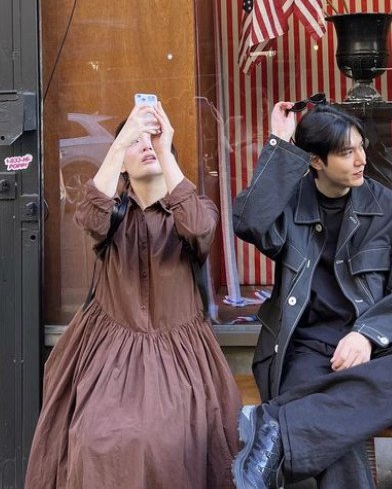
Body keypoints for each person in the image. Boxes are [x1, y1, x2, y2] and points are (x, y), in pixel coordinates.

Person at [232, 101, 392, 489]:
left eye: (361, 146)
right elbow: (248, 222)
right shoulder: (290, 204)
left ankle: (277, 425)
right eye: (347, 152)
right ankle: (288, 424)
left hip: (375, 351)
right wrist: (278, 144)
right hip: (304, 350)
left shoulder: (387, 208)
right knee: (338, 437)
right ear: (315, 161)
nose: (362, 159)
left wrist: (367, 335)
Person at [25, 100, 240, 489]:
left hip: (180, 353)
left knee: (166, 442)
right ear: (121, 162)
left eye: (155, 142)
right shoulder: (113, 214)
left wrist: (165, 145)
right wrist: (119, 141)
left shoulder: (192, 209)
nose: (147, 146)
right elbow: (89, 215)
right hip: (109, 350)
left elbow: (199, 228)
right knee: (93, 438)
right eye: (135, 144)